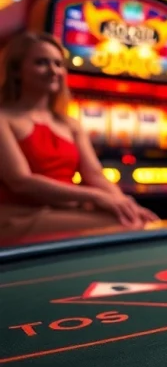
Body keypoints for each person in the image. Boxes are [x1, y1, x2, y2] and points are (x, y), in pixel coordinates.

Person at [0, 32, 158, 243]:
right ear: (16, 70)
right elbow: (21, 181)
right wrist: (95, 196)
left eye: (58, 64)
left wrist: (123, 203)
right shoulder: (3, 118)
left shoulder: (70, 124)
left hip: (63, 210)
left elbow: (95, 175)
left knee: (135, 220)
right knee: (122, 226)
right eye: (41, 63)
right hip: (18, 216)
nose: (53, 71)